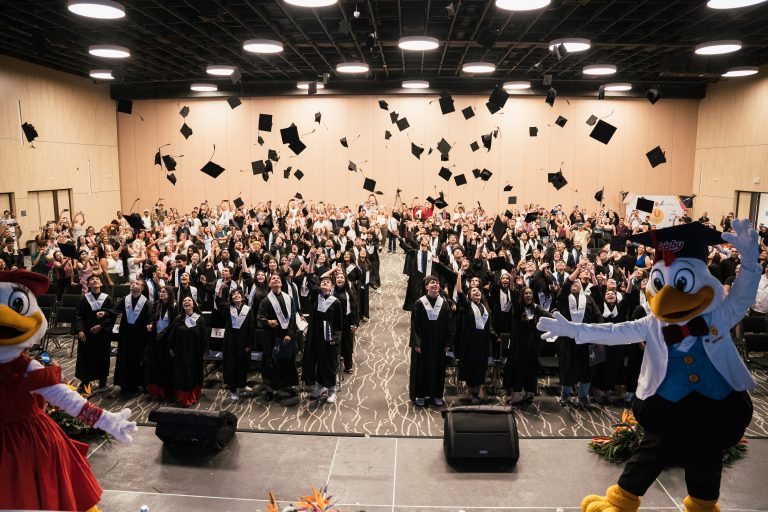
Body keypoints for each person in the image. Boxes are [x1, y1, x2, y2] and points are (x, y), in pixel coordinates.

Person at [555, 262, 602, 408]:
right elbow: (565, 286)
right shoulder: (563, 298)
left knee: (588, 369)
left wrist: (601, 336)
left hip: (588, 339)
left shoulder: (588, 299)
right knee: (568, 368)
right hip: (569, 339)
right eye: (572, 282)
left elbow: (598, 316)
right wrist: (577, 270)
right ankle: (566, 394)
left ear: (581, 286)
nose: (574, 284)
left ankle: (583, 396)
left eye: (577, 283)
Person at [455, 272, 500, 404]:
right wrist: (459, 274)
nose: (476, 292)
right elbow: (459, 291)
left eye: (478, 291)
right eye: (473, 291)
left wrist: (494, 336)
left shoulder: (485, 308)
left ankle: (479, 389)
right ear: (469, 295)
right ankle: (469, 390)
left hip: (483, 341)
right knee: (471, 364)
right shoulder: (467, 305)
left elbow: (488, 324)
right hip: (470, 341)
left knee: (481, 365)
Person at [409, 275, 453, 407]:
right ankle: (421, 394)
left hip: (439, 343)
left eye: (437, 283)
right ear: (426, 286)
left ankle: (437, 395)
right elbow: (415, 325)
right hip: (423, 343)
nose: (435, 285)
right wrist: (416, 343)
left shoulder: (444, 303)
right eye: (432, 283)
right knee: (422, 369)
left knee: (438, 369)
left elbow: (449, 325)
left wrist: (447, 343)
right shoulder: (419, 303)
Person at [504, 287, 551, 405]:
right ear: (522, 295)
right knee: (518, 368)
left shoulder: (536, 307)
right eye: (526, 293)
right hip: (519, 345)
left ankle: (529, 392)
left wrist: (558, 318)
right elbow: (514, 297)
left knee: (531, 368)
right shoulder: (518, 307)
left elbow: (546, 314)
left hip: (532, 344)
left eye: (530, 293)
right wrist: (512, 280)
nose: (528, 295)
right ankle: (516, 394)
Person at [302, 272, 344, 403]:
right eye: (323, 281)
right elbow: (310, 279)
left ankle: (332, 390)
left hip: (329, 338)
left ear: (332, 287)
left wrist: (335, 339)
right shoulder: (316, 298)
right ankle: (319, 386)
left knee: (329, 363)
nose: (325, 283)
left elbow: (339, 324)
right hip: (315, 336)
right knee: (317, 362)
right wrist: (312, 260)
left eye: (328, 282)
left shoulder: (336, 302)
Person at [257, 274, 300, 402]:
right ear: (269, 284)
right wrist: (268, 322)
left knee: (287, 361)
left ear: (281, 284)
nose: (276, 279)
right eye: (273, 279)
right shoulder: (266, 301)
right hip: (272, 337)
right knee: (271, 363)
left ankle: (287, 385)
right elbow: (259, 318)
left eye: (278, 279)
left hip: (286, 336)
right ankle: (270, 389)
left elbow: (293, 318)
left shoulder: (289, 298)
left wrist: (290, 334)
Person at [106, 278, 151, 395]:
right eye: (133, 283)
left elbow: (150, 319)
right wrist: (105, 313)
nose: (133, 284)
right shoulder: (125, 299)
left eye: (137, 283)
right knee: (124, 357)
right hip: (125, 334)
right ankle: (124, 383)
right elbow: (115, 310)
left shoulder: (146, 303)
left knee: (137, 358)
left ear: (141, 288)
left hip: (139, 335)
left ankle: (137, 383)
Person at [73, 274, 114, 393]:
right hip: (87, 333)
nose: (95, 280)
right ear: (88, 284)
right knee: (85, 357)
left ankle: (102, 381)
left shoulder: (107, 298)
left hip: (102, 334)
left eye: (97, 279)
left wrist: (101, 326)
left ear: (101, 283)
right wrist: (79, 330)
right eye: (92, 279)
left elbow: (112, 316)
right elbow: (78, 315)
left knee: (102, 356)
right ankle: (86, 382)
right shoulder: (83, 298)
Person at [169, 296, 207, 406]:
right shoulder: (178, 319)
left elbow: (204, 337)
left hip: (195, 353)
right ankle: (182, 396)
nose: (186, 302)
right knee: (181, 374)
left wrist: (204, 351)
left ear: (194, 304)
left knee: (193, 373)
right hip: (180, 352)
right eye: (184, 301)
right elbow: (172, 335)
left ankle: (193, 395)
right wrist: (171, 347)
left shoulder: (200, 319)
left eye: (189, 300)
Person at [144, 285, 176, 400]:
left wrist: (163, 334)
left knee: (166, 366)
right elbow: (153, 318)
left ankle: (167, 392)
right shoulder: (157, 305)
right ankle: (158, 391)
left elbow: (174, 324)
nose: (161, 293)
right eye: (160, 292)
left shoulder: (174, 306)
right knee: (156, 364)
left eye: (164, 292)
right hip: (156, 338)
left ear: (170, 293)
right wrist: (151, 324)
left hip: (168, 339)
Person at [222, 288, 254, 400]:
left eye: (238, 294)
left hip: (243, 342)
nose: (236, 296)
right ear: (231, 298)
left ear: (242, 296)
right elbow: (220, 307)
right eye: (234, 294)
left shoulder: (248, 310)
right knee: (231, 365)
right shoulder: (228, 308)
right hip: (230, 341)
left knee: (242, 364)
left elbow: (251, 327)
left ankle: (242, 385)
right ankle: (233, 390)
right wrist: (220, 292)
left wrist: (249, 344)